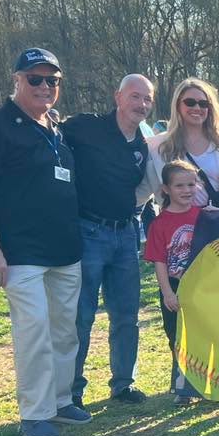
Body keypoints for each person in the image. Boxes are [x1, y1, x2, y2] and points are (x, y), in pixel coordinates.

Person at [0, 47, 89, 436]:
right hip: (20, 250)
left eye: (52, 80)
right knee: (33, 330)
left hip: (64, 248)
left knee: (64, 330)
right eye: (34, 78)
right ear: (17, 80)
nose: (44, 86)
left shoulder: (55, 128)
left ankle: (59, 399)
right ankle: (34, 413)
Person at [63, 73, 157, 409]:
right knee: (82, 315)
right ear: (118, 97)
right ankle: (72, 389)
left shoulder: (143, 145)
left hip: (126, 234)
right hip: (89, 231)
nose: (141, 105)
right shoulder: (86, 127)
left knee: (126, 314)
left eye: (147, 99)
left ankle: (123, 383)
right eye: (135, 96)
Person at [144, 160, 203, 405]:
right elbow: (159, 261)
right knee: (177, 337)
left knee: (201, 334)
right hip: (175, 286)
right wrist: (167, 292)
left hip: (201, 286)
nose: (187, 190)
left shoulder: (203, 216)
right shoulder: (160, 223)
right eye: (179, 185)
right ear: (166, 189)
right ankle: (182, 384)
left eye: (191, 184)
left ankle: (203, 383)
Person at [146, 78, 219, 209]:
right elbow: (142, 192)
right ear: (178, 105)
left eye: (203, 104)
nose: (197, 108)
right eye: (190, 103)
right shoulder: (157, 146)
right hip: (179, 224)